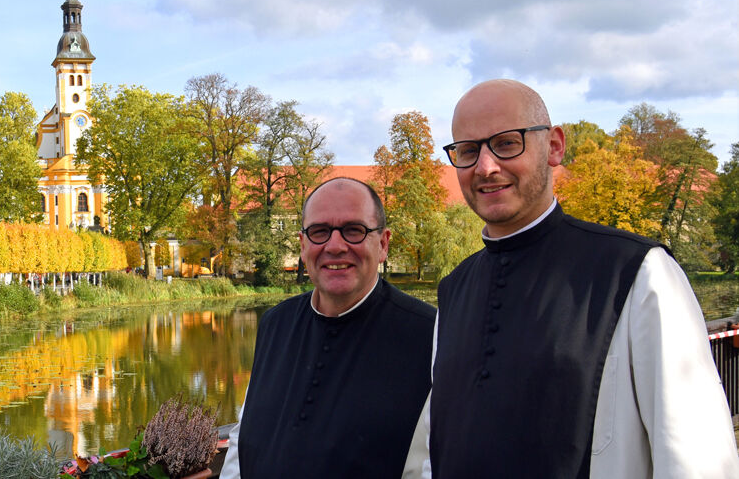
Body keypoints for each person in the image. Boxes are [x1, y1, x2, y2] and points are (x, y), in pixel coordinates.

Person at [426, 79, 739, 478]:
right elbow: (432, 452)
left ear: (554, 146)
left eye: (507, 143)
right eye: (468, 151)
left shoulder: (638, 272)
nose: (486, 167)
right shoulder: (454, 289)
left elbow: (698, 461)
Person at [222, 177, 435, 478]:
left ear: (383, 243)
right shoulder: (274, 325)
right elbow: (240, 447)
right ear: (303, 244)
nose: (335, 246)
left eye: (354, 230)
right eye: (320, 232)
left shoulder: (430, 336)